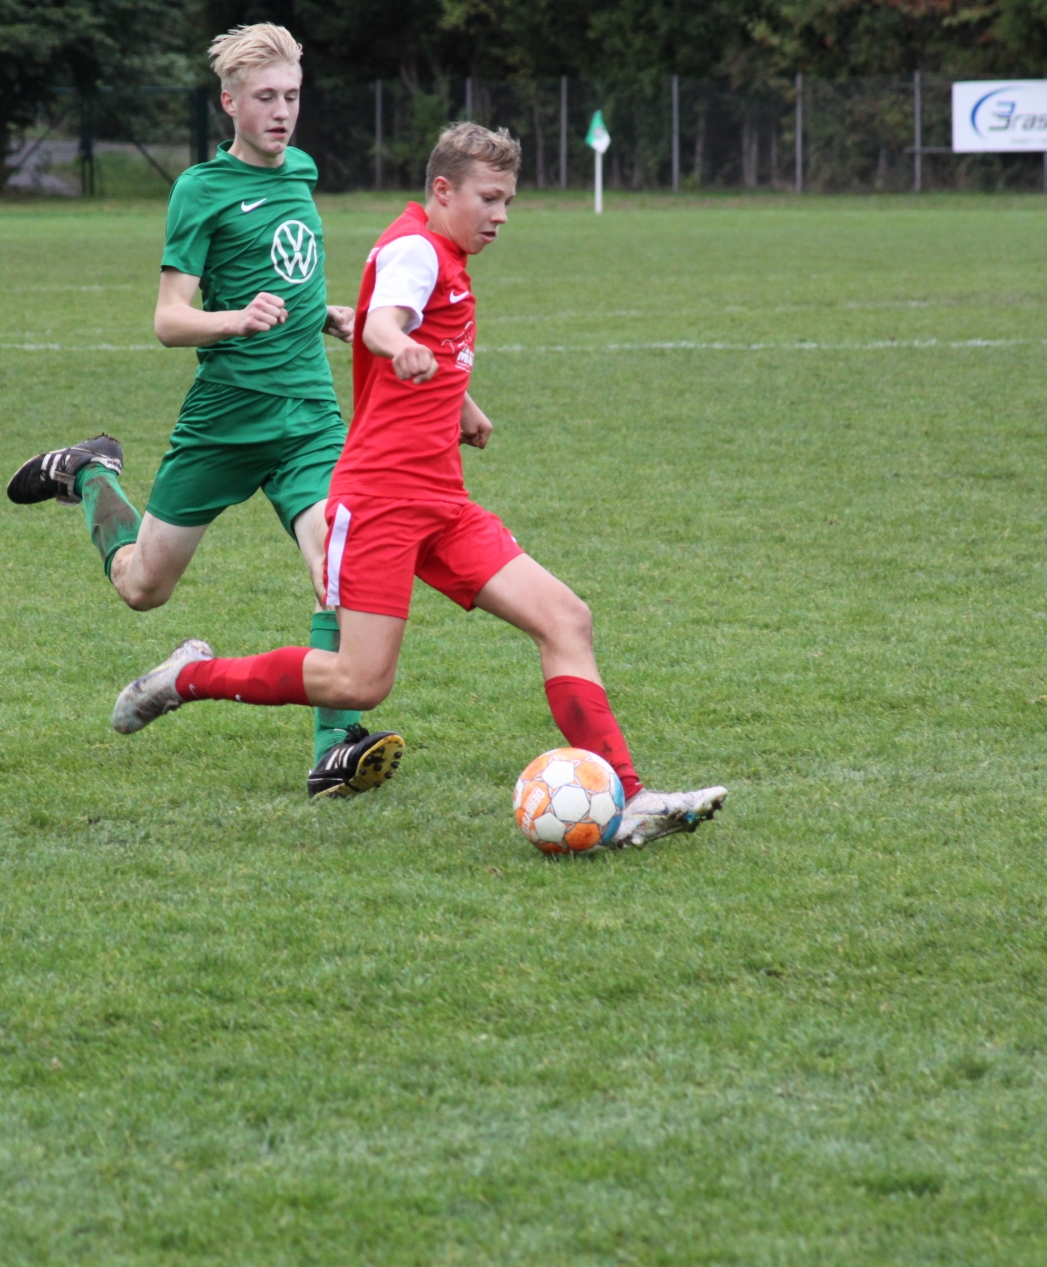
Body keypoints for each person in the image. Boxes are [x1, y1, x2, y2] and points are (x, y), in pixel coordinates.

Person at [109, 123, 728, 848]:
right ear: (442, 190)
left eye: (508, 201)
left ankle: (630, 797)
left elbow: (425, 339)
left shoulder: (445, 254)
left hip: (443, 502)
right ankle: (183, 680)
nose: (501, 215)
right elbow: (382, 323)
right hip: (380, 504)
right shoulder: (415, 250)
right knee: (359, 682)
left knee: (566, 619)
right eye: (489, 199)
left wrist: (460, 404)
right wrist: (397, 343)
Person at [6, 23, 404, 800]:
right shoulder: (199, 189)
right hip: (224, 421)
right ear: (230, 103)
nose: (282, 112)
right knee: (143, 587)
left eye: (292, 96)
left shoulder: (302, 172)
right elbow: (169, 319)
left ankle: (334, 748)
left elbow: (285, 273)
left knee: (337, 567)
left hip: (308, 417)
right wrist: (235, 321)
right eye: (266, 98)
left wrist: (324, 314)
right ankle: (88, 474)